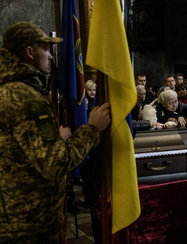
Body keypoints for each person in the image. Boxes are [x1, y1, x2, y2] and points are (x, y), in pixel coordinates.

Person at [0, 21, 111, 243]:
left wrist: (56, 141)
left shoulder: (8, 89)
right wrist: (92, 129)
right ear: (30, 52)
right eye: (47, 49)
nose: (51, 56)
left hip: (13, 214)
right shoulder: (27, 98)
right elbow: (55, 163)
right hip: (31, 223)